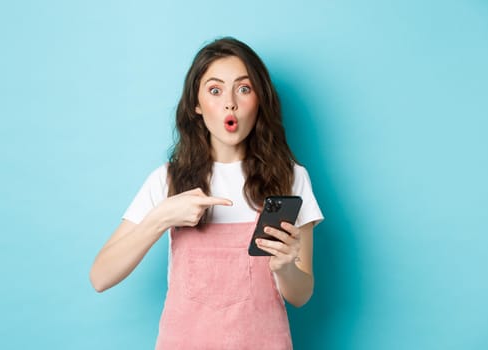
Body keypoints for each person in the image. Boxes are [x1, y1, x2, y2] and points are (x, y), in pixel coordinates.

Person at [89, 37, 324, 349]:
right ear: (196, 105)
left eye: (244, 88)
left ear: (260, 99)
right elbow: (100, 277)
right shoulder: (167, 179)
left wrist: (285, 267)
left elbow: (301, 294)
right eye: (215, 90)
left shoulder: (291, 178)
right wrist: (160, 218)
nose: (230, 102)